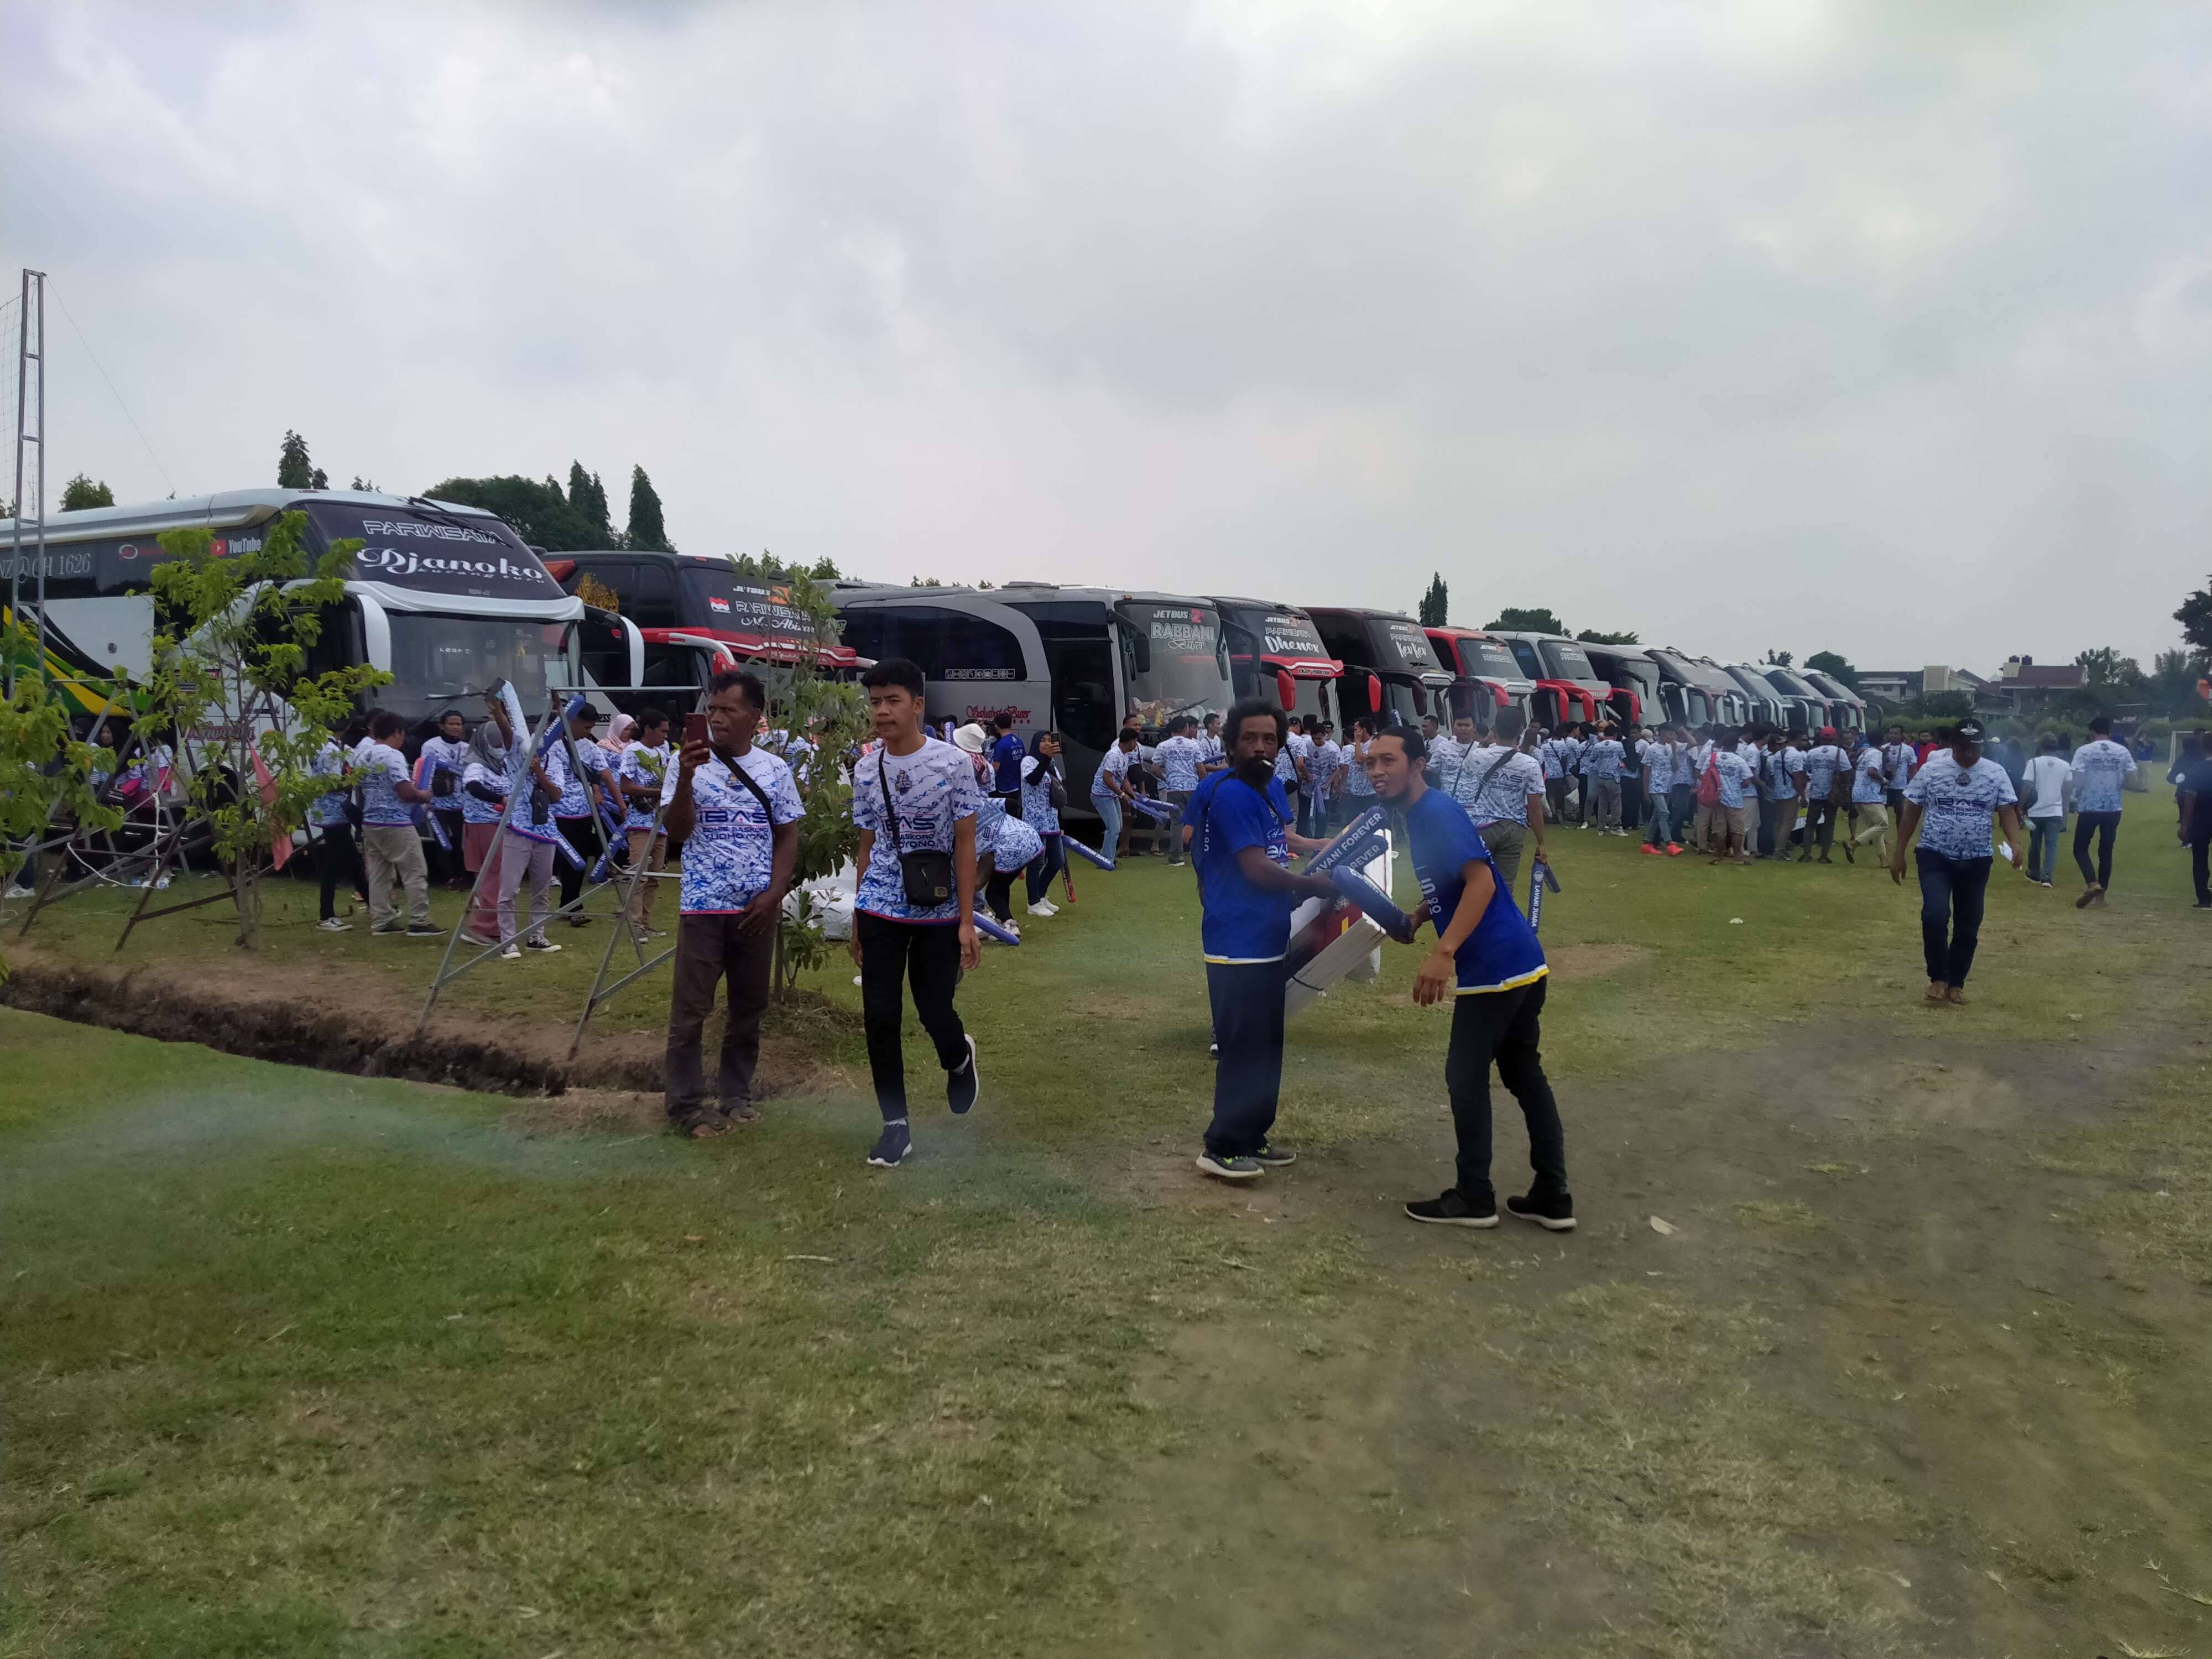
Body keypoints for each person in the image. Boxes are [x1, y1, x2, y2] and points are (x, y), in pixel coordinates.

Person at [1362, 729, 1569, 1231]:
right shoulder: (1428, 813)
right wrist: (1420, 914)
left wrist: (1444, 952)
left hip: (1494, 966)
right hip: (1522, 960)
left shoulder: (1433, 813)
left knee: (1466, 1078)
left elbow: (1479, 882)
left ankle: (1475, 1195)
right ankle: (1552, 1194)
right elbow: (1460, 880)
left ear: (1418, 764)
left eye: (1388, 760)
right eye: (1370, 763)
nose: (1376, 771)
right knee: (1524, 1073)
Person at [1189, 699, 1335, 1181]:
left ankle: (1253, 1134)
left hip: (1268, 934)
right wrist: (1316, 885)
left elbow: (1279, 846)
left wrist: (1314, 866)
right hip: (1237, 940)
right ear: (1230, 745)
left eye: (1269, 739)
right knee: (1244, 1046)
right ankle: (1222, 1146)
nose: (1260, 747)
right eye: (1249, 739)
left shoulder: (1268, 789)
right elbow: (1256, 868)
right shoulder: (1231, 794)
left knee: (1268, 1044)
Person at [849, 659, 983, 1168]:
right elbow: (866, 845)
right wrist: (860, 914)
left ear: (918, 705)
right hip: (881, 903)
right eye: (876, 702)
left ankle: (957, 1056)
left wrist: (968, 920)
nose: (882, 712)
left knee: (934, 1010)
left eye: (893, 701)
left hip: (939, 907)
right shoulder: (865, 766)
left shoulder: (953, 764)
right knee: (880, 1015)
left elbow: (967, 842)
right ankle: (895, 1126)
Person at [660, 669, 804, 1138]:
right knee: (691, 1012)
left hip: (756, 911)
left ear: (755, 716)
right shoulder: (686, 764)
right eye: (712, 710)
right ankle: (684, 1106)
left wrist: (774, 894)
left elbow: (787, 835)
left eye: (728, 710)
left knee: (748, 1008)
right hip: (703, 907)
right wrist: (685, 777)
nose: (717, 719)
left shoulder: (775, 770)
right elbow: (678, 833)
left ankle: (736, 1095)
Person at [1891, 719, 2029, 1005]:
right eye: (1964, 748)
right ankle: (1938, 978)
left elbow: (2006, 810)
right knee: (1935, 915)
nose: (1969, 754)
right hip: (1934, 854)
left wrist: (2014, 844)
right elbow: (1912, 811)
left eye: (1975, 748)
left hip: (1976, 859)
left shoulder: (1995, 773)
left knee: (1968, 924)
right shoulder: (1931, 771)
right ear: (1953, 745)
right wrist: (1898, 853)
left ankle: (1957, 982)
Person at [493, 700, 568, 959]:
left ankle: (537, 935)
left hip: (546, 830)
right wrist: (498, 712)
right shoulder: (516, 753)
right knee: (510, 888)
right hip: (518, 828)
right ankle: (508, 940)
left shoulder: (554, 761)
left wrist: (539, 772)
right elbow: (507, 733)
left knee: (542, 887)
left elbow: (557, 795)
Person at [356, 711, 439, 935]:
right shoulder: (393, 756)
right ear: (397, 732)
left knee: (379, 874)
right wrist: (424, 795)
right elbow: (405, 792)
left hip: (371, 820)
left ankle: (381, 921)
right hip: (396, 822)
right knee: (415, 871)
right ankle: (420, 921)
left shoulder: (362, 755)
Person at [1452, 721, 1547, 898]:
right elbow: (1535, 808)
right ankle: (1501, 922)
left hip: (1480, 826)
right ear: (1519, 732)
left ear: (1494, 730)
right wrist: (1540, 841)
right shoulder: (1530, 764)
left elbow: (1463, 789)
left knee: (1472, 882)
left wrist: (1487, 740)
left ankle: (1471, 922)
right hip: (1513, 828)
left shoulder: (1477, 756)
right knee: (1504, 886)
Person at [2069, 715, 2139, 908]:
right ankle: (2102, 897)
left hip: (2089, 806)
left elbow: (2078, 781)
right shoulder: (2122, 751)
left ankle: (2093, 883)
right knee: (2106, 850)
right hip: (2113, 807)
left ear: (2092, 732)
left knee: (2080, 848)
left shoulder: (2084, 751)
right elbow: (2133, 781)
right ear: (2109, 731)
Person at [551, 701, 611, 925]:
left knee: (581, 860)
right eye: (586, 727)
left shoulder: (589, 746)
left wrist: (620, 806)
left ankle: (571, 903)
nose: (589, 732)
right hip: (560, 812)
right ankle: (572, 905)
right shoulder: (552, 746)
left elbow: (604, 775)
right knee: (570, 861)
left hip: (585, 812)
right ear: (572, 722)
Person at [618, 708, 674, 935]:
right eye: (662, 731)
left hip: (660, 821)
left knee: (655, 876)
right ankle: (635, 924)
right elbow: (626, 786)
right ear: (648, 729)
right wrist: (657, 792)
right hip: (640, 820)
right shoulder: (633, 751)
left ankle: (645, 921)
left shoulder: (663, 752)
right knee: (638, 875)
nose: (665, 736)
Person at [309, 728, 368, 930]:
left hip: (337, 812)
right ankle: (326, 916)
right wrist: (352, 780)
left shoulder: (332, 747)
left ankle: (374, 905)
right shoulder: (329, 751)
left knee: (353, 862)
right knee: (333, 865)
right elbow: (330, 784)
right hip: (333, 813)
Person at [419, 709, 471, 889]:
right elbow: (426, 769)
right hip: (438, 801)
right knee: (443, 840)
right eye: (451, 724)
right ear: (442, 726)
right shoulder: (431, 746)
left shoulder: (467, 748)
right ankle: (447, 877)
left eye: (459, 724)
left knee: (460, 840)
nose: (456, 727)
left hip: (462, 802)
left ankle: (462, 874)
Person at [1020, 732, 1067, 917]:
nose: (1047, 744)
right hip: (1035, 820)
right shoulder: (1028, 761)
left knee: (1057, 861)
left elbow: (1057, 792)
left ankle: (1041, 895)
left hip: (1052, 820)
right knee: (1037, 862)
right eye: (1043, 741)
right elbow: (1033, 780)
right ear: (1035, 743)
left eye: (1050, 740)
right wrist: (1046, 759)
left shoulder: (1053, 764)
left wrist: (1061, 822)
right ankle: (1033, 903)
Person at [2017, 733, 2071, 888]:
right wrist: (2065, 813)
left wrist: (2021, 807)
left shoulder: (2033, 763)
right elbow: (2067, 791)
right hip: (2055, 812)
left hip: (2035, 812)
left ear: (2041, 746)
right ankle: (2047, 877)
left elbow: (2027, 786)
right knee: (2052, 845)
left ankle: (2035, 872)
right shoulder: (2065, 765)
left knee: (2035, 842)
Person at [1154, 715, 1204, 867]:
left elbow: (1155, 768)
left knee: (1176, 823)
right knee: (1196, 822)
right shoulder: (1194, 745)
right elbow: (1201, 769)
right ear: (1185, 729)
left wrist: (1165, 778)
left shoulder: (1163, 746)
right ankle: (1200, 854)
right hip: (1192, 788)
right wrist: (1206, 785)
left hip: (1174, 789)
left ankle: (1176, 857)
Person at [1704, 729, 1756, 865]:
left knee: (1719, 829)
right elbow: (1747, 781)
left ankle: (1721, 857)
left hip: (1717, 798)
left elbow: (1705, 774)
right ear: (1736, 746)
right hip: (1735, 798)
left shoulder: (1713, 757)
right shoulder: (1739, 761)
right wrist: (1736, 785)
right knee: (1737, 829)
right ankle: (1738, 858)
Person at [1092, 726, 1141, 862]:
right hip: (1102, 795)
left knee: (1117, 827)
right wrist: (1121, 794)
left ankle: (1106, 856)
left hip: (1111, 795)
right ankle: (1106, 859)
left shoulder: (1125, 755)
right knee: (1113, 828)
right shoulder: (1113, 755)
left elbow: (1123, 777)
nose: (1136, 745)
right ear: (1131, 742)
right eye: (1135, 741)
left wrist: (1131, 793)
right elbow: (1107, 778)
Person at [1798, 728, 1848, 863]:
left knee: (1810, 824)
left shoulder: (1812, 752)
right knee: (1829, 824)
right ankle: (1824, 856)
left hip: (1815, 792)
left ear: (1820, 738)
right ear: (1835, 738)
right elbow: (1847, 771)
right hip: (1833, 793)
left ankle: (1807, 854)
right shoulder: (1840, 752)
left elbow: (1808, 769)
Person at [2175, 735, 2212, 909]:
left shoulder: (2198, 769)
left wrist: (2185, 824)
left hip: (2202, 818)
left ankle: (2204, 898)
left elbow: (2190, 797)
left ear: (2203, 748)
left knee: (2200, 858)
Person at [1848, 731, 1893, 864]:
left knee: (1876, 827)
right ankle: (1853, 845)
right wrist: (1884, 780)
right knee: (1883, 825)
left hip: (1858, 793)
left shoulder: (1865, 753)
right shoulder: (1876, 754)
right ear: (1884, 739)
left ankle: (1884, 860)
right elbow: (1872, 771)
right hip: (1869, 794)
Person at [1583, 724, 1624, 834]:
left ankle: (1601, 828)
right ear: (1615, 735)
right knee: (1615, 803)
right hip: (1613, 776)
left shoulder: (1598, 746)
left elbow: (1592, 759)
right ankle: (1616, 827)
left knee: (1602, 803)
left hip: (1600, 776)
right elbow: (1623, 758)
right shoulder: (1618, 745)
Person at [989, 712, 1025, 807]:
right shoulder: (1019, 741)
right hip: (1017, 785)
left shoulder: (1001, 745)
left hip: (1005, 787)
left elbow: (995, 769)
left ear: (997, 726)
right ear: (1011, 725)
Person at [1882, 723, 1916, 818]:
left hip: (1900, 786)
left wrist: (1913, 785)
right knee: (1882, 812)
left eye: (1896, 734)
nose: (1893, 736)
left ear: (1902, 735)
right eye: (1891, 733)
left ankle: (1900, 833)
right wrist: (1884, 755)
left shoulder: (1908, 750)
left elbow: (1913, 768)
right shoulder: (1884, 748)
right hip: (1885, 786)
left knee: (1900, 813)